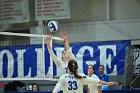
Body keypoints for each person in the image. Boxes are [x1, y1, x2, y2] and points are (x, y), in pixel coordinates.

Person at [52, 59, 118, 93]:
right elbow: (95, 81)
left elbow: (56, 89)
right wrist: (107, 83)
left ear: (67, 68)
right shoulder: (81, 76)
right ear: (77, 67)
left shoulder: (63, 77)